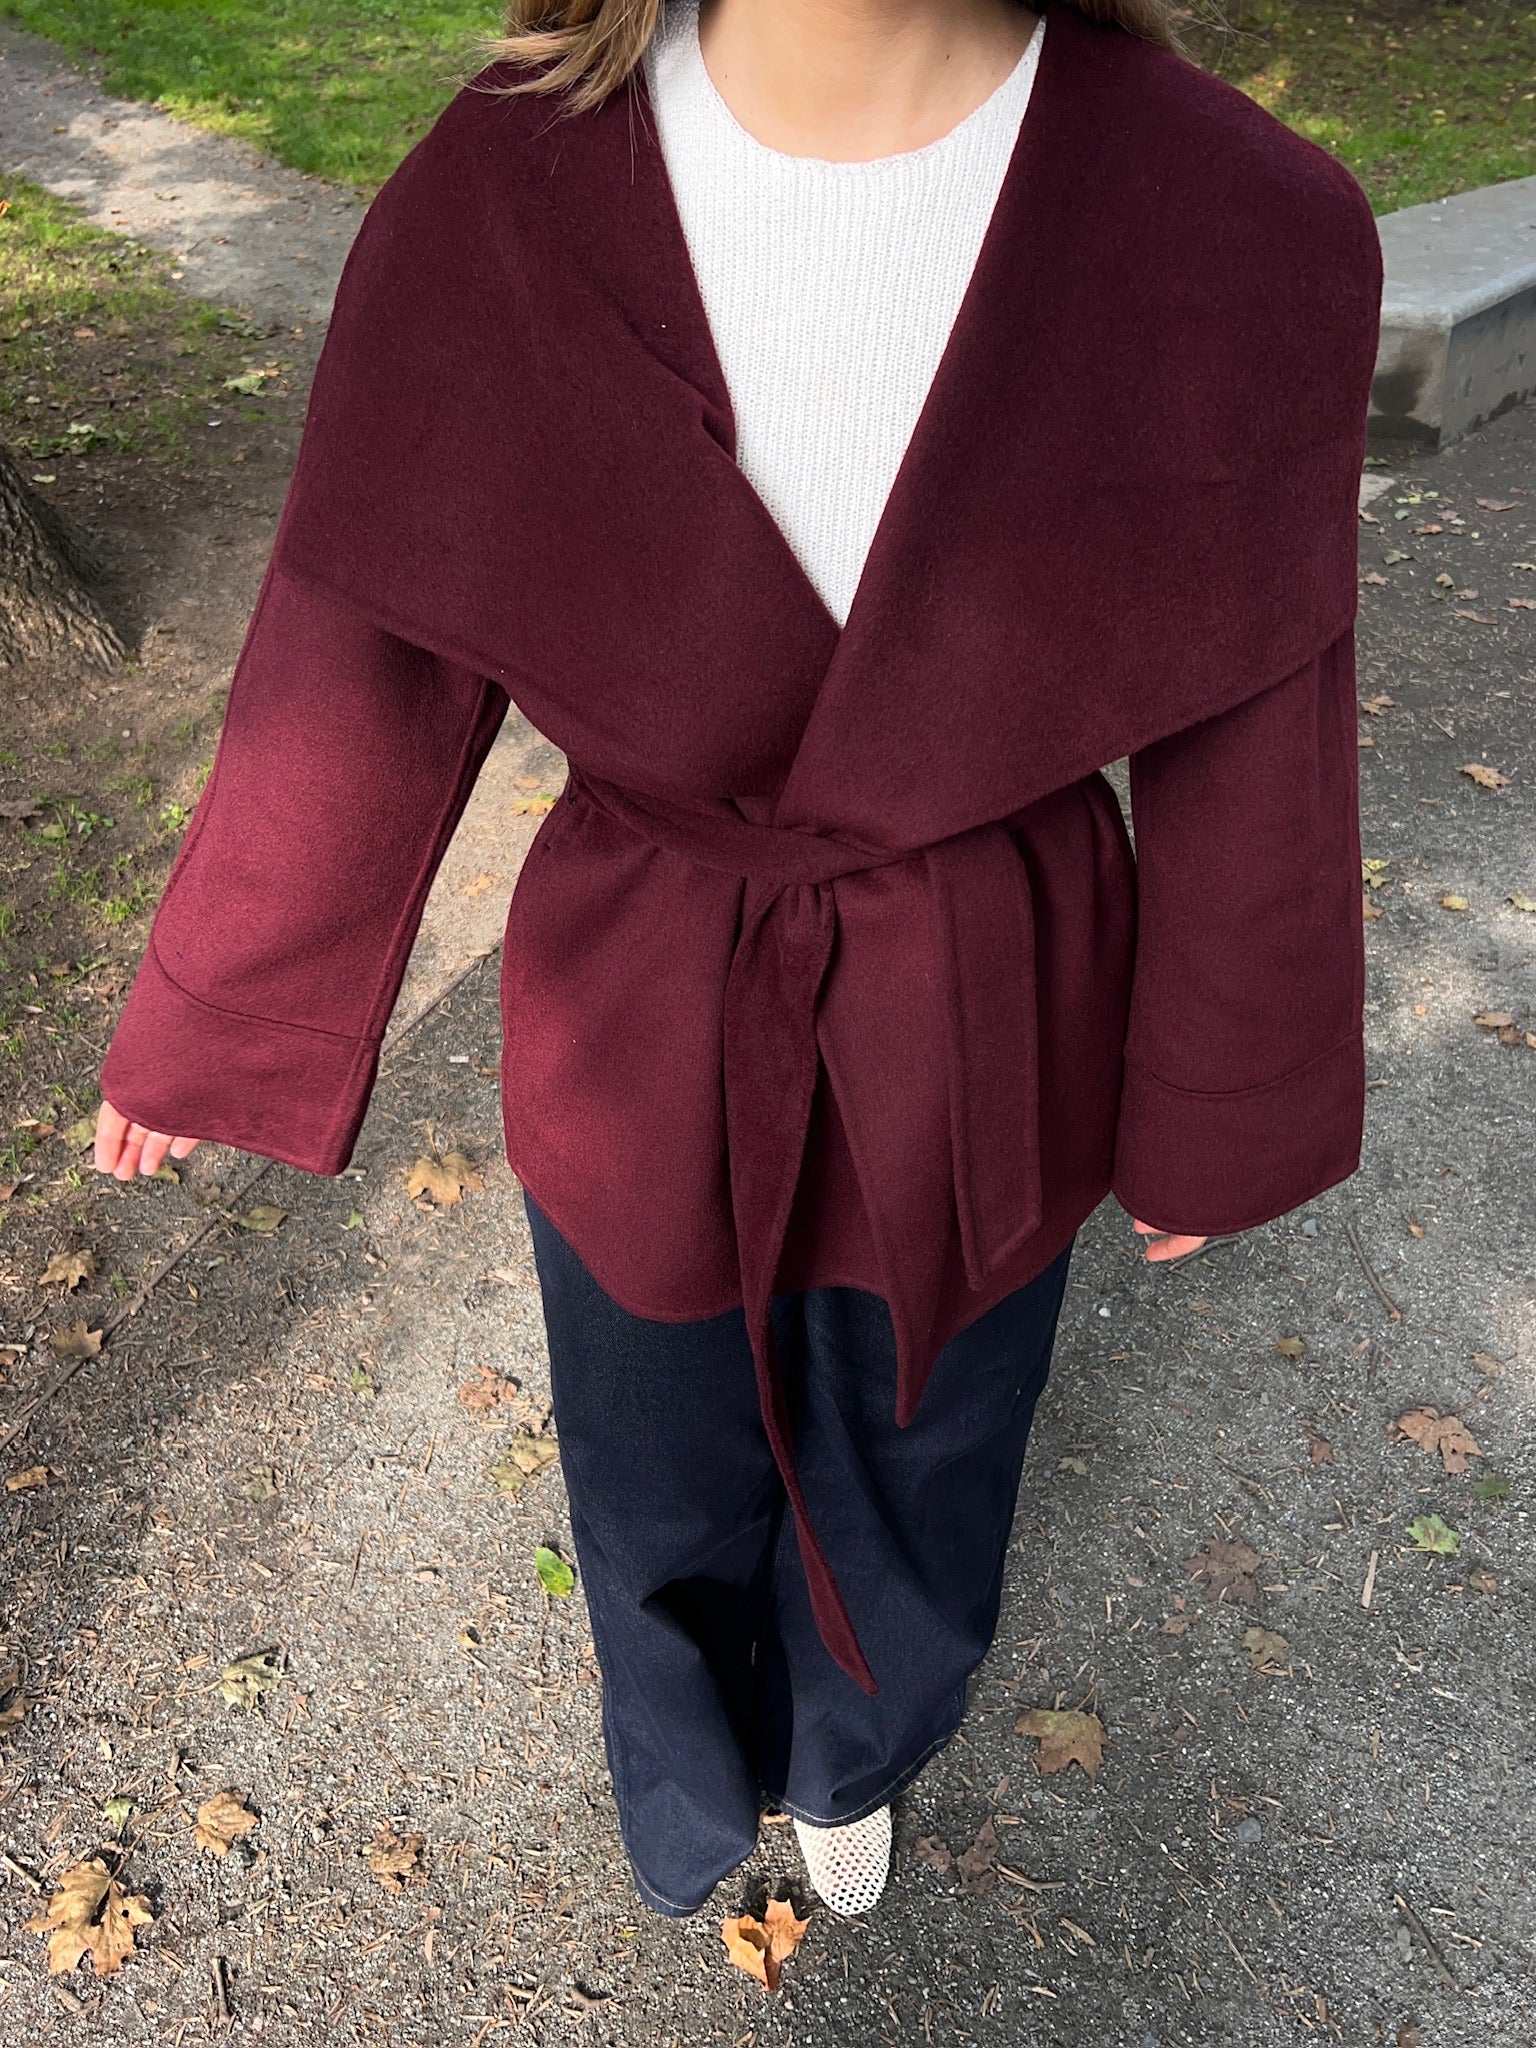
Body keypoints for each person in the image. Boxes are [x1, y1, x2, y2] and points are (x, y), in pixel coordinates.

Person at [94, 0, 1381, 1921]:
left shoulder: (1235, 218)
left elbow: (1261, 701)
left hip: (989, 1005)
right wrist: (224, 1007)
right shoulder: (510, 178)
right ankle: (689, 1772)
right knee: (651, 1458)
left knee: (927, 1459)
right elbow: (363, 635)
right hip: (642, 990)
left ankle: (853, 1752)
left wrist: (1225, 1099)